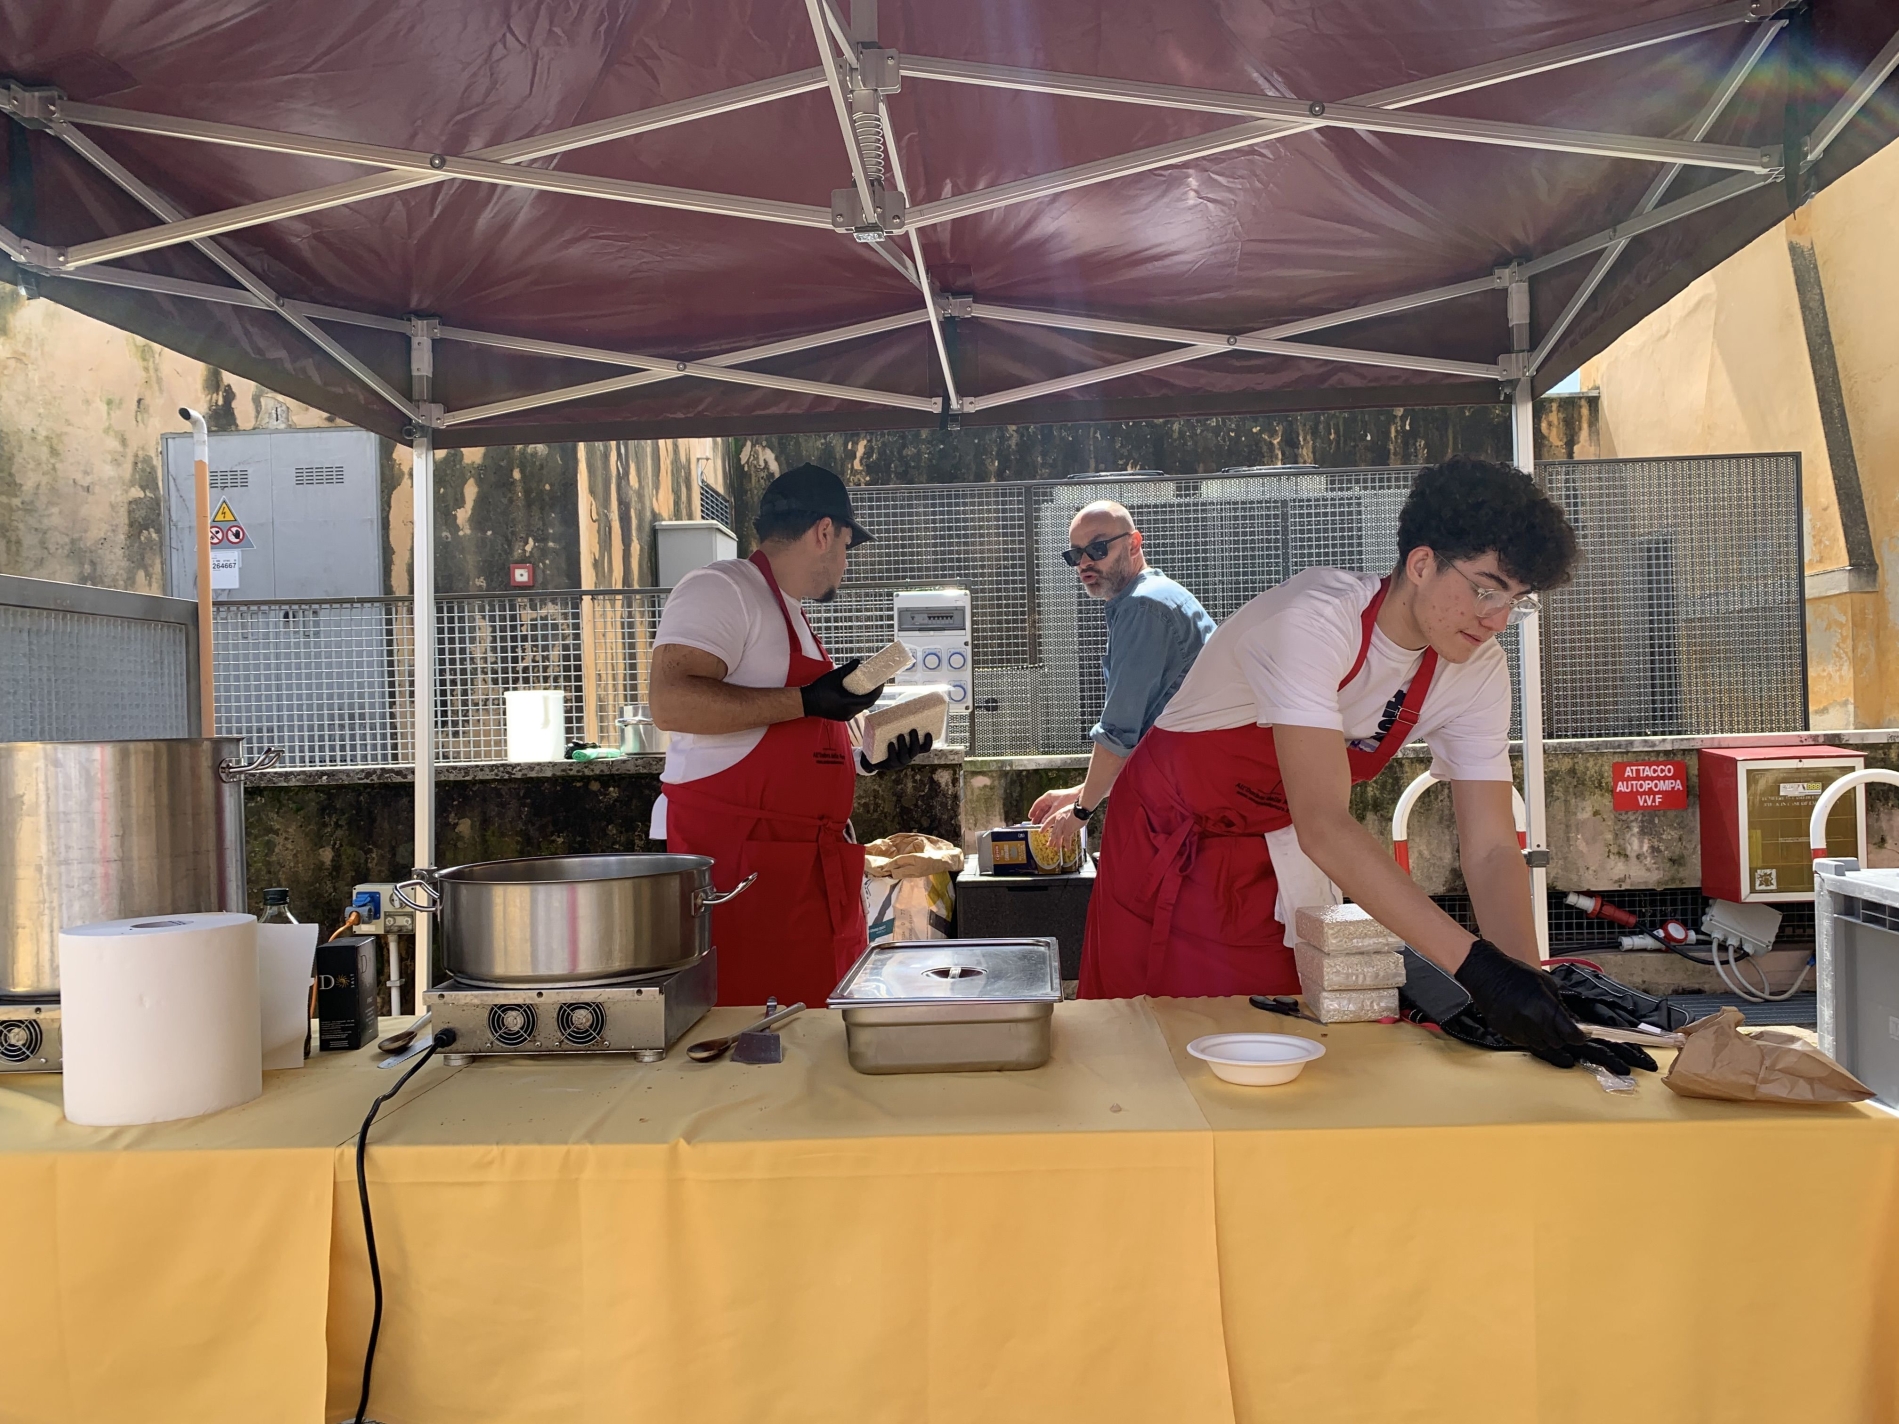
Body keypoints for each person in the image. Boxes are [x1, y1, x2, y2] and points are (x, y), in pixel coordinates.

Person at [1079, 455, 1633, 1072]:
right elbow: (1324, 823)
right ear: (1421, 564)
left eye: (1516, 601)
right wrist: (1478, 969)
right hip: (1166, 842)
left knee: (1288, 1042)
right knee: (1159, 1053)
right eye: (1485, 589)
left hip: (1274, 852)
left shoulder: (1477, 670)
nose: (1497, 620)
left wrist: (1529, 989)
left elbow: (1492, 850)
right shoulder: (1313, 620)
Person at [647, 463, 930, 1007]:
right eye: (846, 545)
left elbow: (797, 738)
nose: (845, 562)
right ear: (824, 532)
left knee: (816, 1028)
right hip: (740, 868)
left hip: (807, 870)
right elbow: (671, 701)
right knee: (749, 1028)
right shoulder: (721, 588)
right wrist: (808, 699)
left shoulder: (792, 614)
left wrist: (869, 759)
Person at [1030, 501, 1215, 849]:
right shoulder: (1156, 594)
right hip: (1199, 790)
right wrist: (1080, 792)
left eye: (1098, 548)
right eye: (1075, 554)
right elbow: (1144, 739)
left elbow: (1119, 733)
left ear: (1134, 543)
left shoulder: (1141, 607)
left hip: (1196, 807)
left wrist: (1082, 810)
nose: (1085, 562)